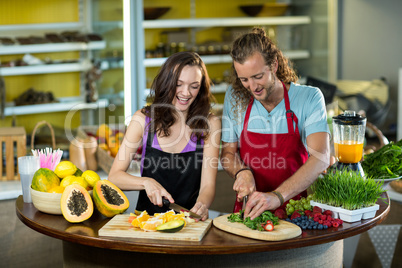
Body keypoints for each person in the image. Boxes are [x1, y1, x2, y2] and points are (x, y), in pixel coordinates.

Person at [220, 27, 331, 220]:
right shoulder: (235, 96)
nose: (252, 87)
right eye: (244, 79)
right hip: (249, 210)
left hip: (294, 210)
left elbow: (321, 157)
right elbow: (228, 153)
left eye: (258, 76)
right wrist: (241, 171)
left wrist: (277, 197)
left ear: (274, 65)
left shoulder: (309, 98)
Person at [108, 51, 221, 221]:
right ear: (166, 82)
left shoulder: (210, 124)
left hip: (188, 223)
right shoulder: (143, 119)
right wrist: (145, 182)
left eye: (194, 86)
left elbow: (207, 186)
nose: (186, 93)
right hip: (146, 223)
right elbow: (114, 177)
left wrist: (202, 206)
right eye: (179, 84)